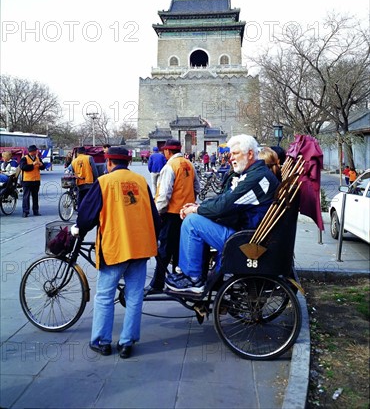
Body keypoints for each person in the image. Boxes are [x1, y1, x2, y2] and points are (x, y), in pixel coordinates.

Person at [71, 146, 160, 359]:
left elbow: (87, 215)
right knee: (135, 295)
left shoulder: (104, 182)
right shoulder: (141, 181)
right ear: (128, 162)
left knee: (104, 295)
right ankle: (127, 342)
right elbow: (155, 218)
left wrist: (79, 229)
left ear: (109, 163)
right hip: (140, 248)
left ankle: (102, 342)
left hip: (115, 247)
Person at [165, 134, 280, 294]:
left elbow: (225, 204)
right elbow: (226, 200)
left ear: (250, 154)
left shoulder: (257, 178)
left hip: (245, 239)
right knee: (196, 218)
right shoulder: (256, 174)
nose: (231, 158)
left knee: (191, 223)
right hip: (248, 233)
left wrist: (196, 209)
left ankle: (192, 278)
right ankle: (192, 273)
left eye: (235, 154)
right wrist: (200, 206)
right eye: (231, 154)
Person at [145, 138, 200, 294]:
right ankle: (177, 280)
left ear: (168, 151)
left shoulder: (170, 167)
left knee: (164, 250)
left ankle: (157, 283)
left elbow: (164, 195)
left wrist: (157, 213)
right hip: (186, 214)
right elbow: (197, 187)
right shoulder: (189, 164)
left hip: (171, 213)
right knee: (179, 249)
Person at [19, 145, 46, 217]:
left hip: (36, 180)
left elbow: (43, 167)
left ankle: (36, 211)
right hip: (27, 180)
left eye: (35, 151)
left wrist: (41, 165)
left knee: (35, 196)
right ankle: (25, 211)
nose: (35, 153)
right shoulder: (24, 158)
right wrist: (32, 165)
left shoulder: (38, 158)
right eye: (33, 152)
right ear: (30, 152)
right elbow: (23, 167)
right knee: (26, 197)